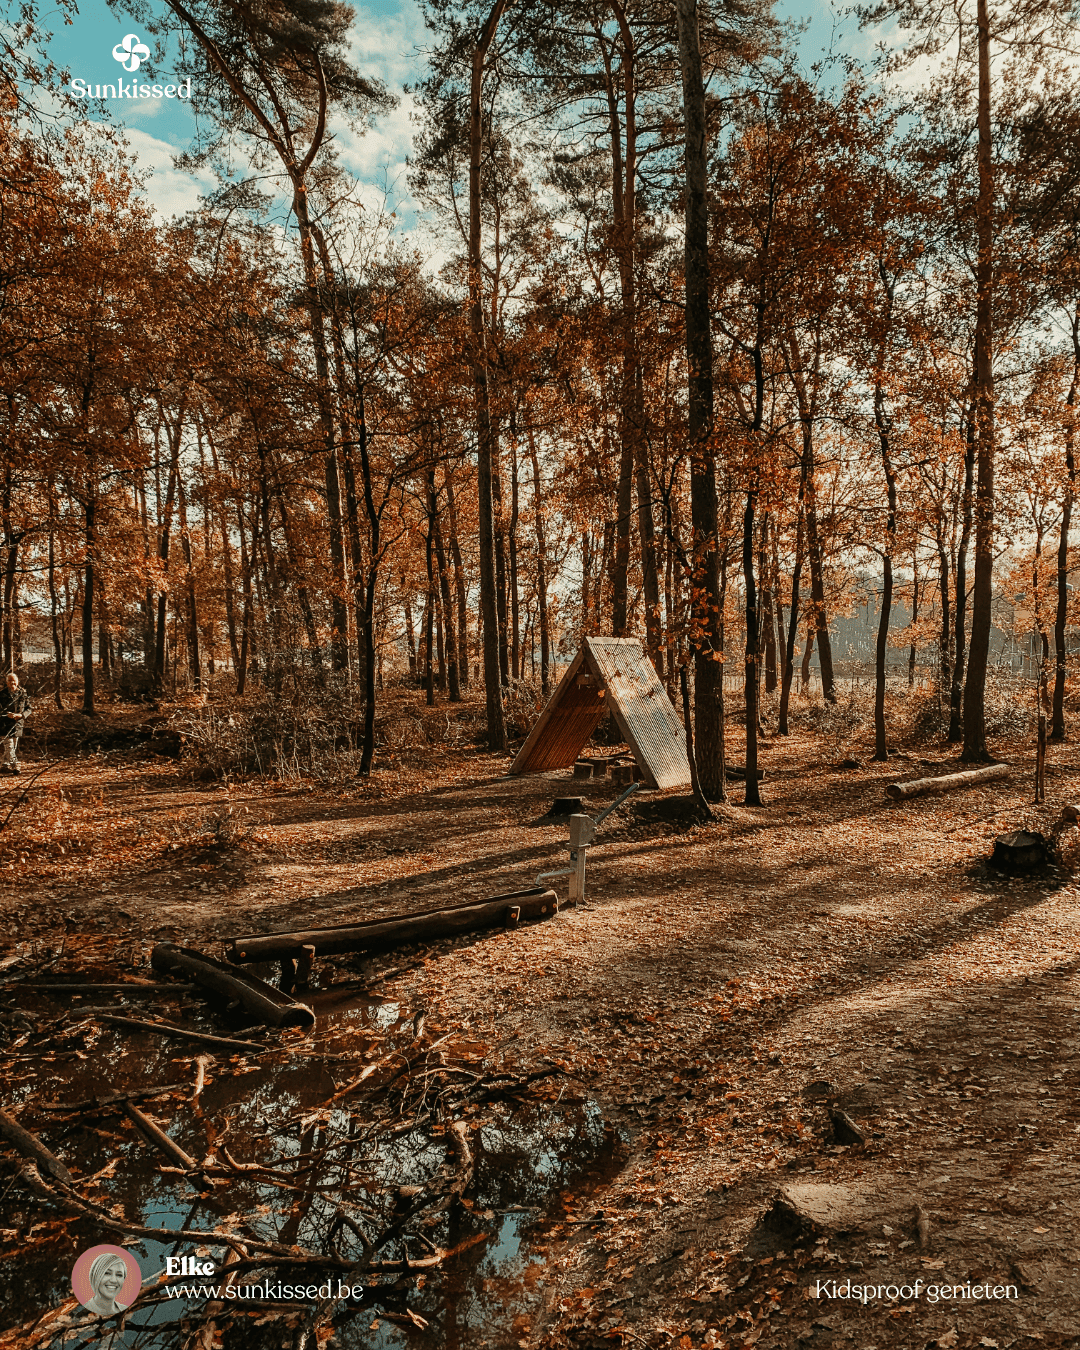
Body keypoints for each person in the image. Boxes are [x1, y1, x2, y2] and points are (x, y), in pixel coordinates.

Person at [0, 671, 30, 774]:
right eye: (9, 681)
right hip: (4, 725)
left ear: (17, 682)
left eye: (14, 681)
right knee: (9, 747)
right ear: (6, 683)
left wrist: (20, 715)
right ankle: (15, 766)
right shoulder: (2, 694)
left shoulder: (23, 693)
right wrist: (5, 714)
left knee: (12, 747)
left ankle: (4, 765)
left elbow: (29, 709)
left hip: (17, 725)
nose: (12, 683)